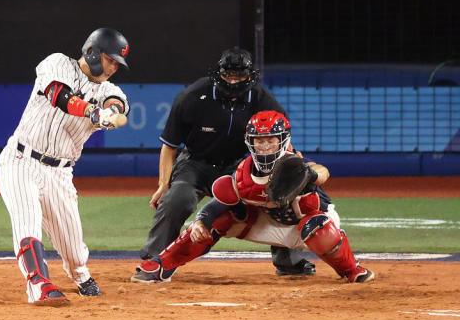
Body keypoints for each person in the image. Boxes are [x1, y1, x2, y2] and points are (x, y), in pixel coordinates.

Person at [131, 47, 315, 282]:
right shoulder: (193, 96)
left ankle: (290, 261)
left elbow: (282, 143)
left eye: (239, 75)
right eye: (228, 75)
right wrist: (163, 185)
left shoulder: (263, 101)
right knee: (177, 198)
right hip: (196, 163)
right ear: (218, 73)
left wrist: (289, 170)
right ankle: (154, 260)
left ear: (250, 75)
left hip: (240, 166)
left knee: (277, 194)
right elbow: (170, 146)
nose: (233, 80)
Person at [130, 111, 375, 284]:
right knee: (218, 219)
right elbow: (221, 201)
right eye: (260, 141)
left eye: (271, 141)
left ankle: (351, 270)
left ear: (283, 141)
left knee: (317, 228)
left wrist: (309, 174)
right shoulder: (243, 172)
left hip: (309, 227)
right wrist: (202, 220)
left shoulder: (293, 165)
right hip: (269, 226)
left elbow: (323, 172)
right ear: (251, 143)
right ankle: (162, 265)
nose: (265, 147)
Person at [0, 27, 131, 305]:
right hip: (20, 160)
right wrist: (93, 111)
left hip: (60, 172)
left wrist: (113, 112)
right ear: (92, 52)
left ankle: (80, 276)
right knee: (28, 221)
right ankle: (37, 283)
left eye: (118, 63)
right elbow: (59, 96)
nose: (113, 67)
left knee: (73, 246)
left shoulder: (109, 89)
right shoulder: (57, 62)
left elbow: (117, 105)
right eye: (110, 59)